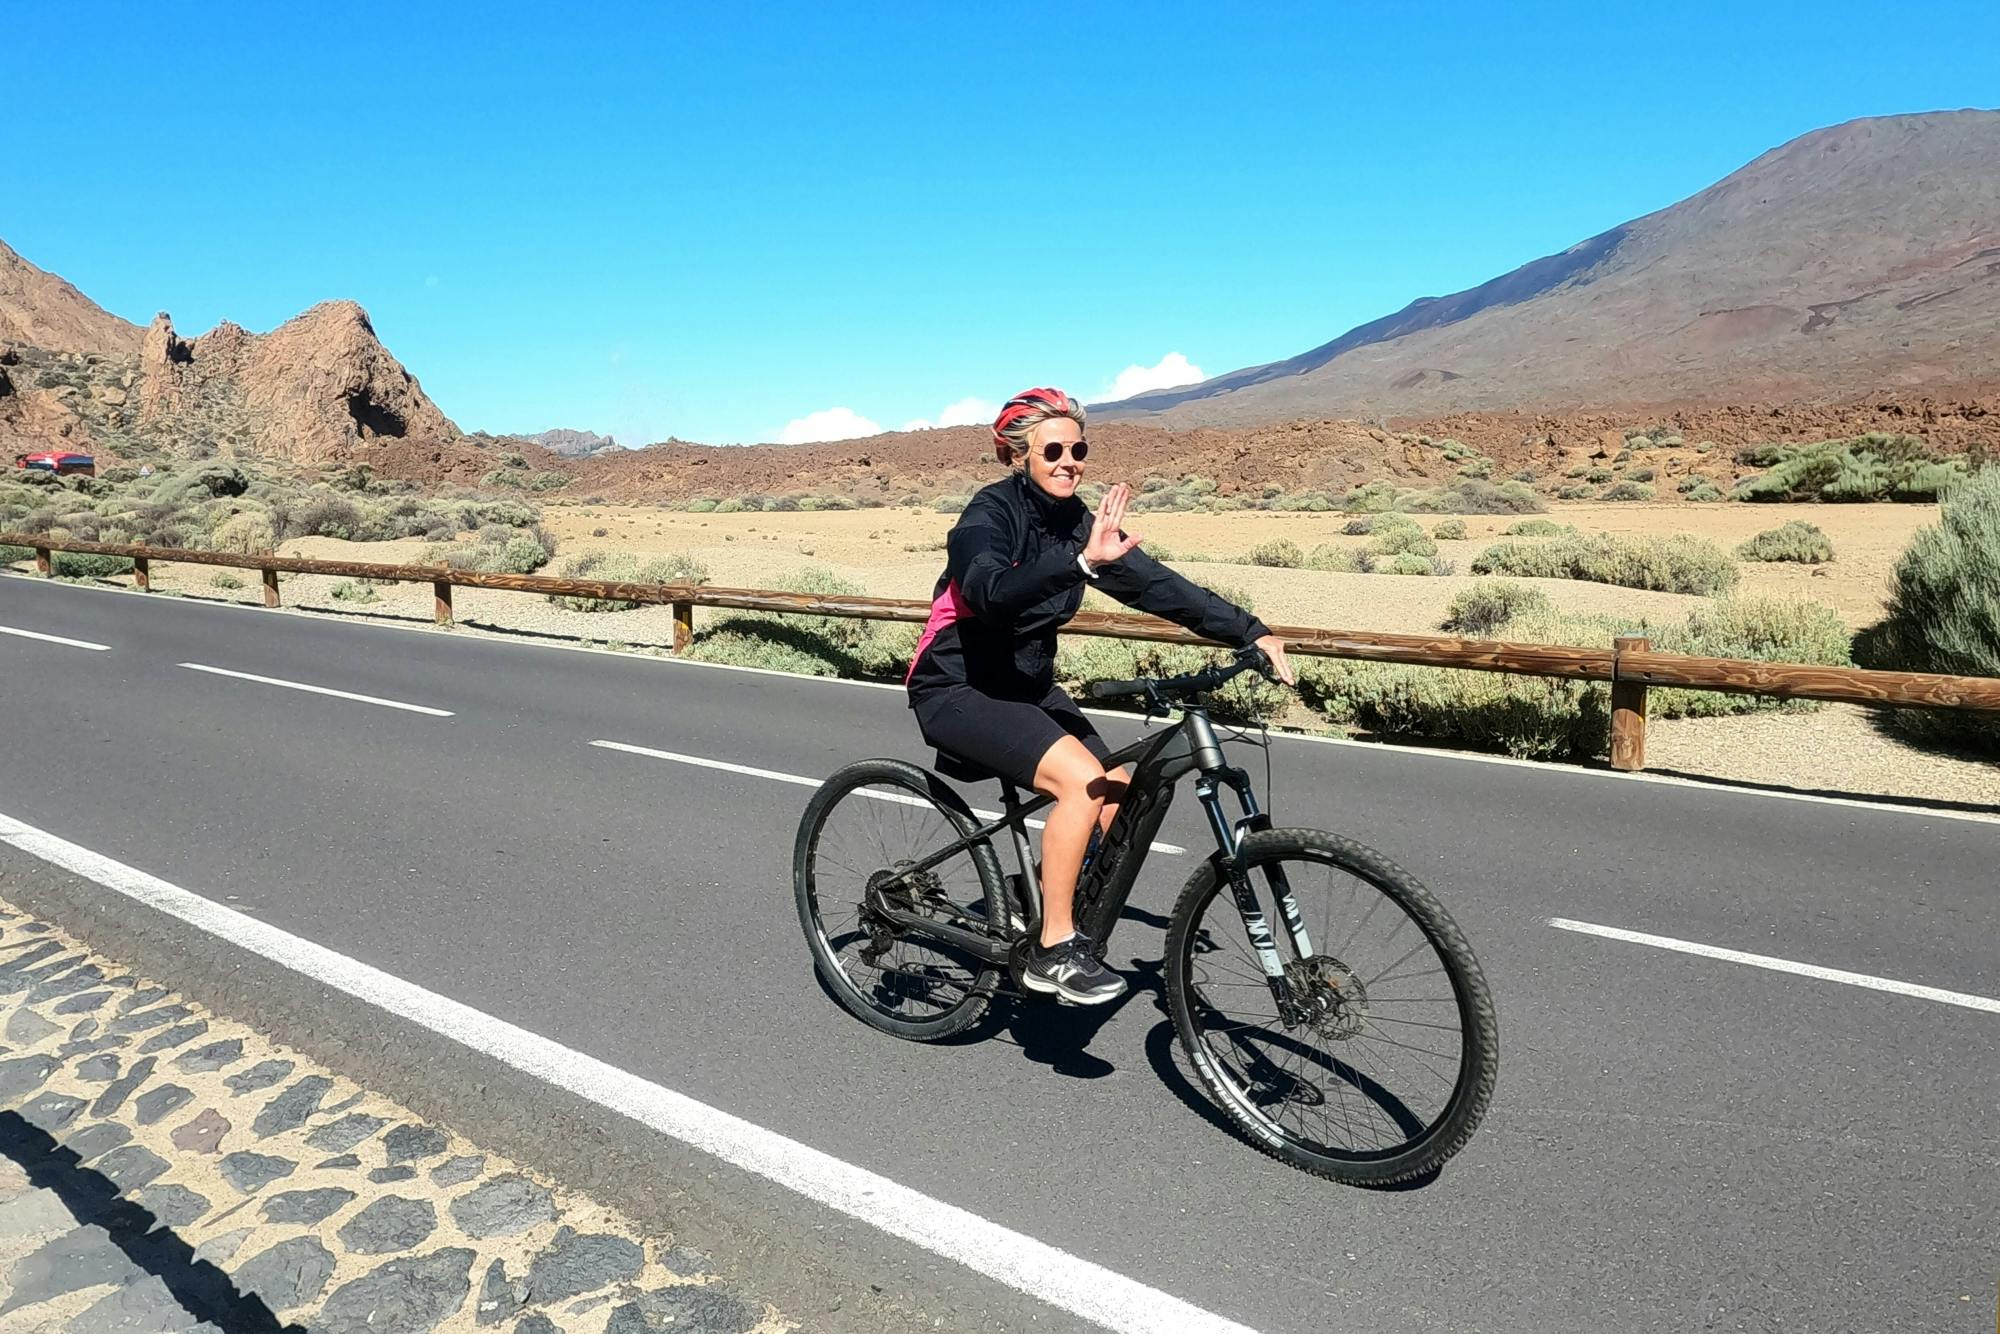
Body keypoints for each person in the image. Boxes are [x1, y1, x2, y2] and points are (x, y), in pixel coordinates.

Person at [904, 387, 1295, 1004]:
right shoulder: (988, 515)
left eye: (1077, 448)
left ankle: (1035, 904)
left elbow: (1157, 586)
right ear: (1017, 456)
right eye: (1052, 448)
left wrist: (1251, 630)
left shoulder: (1081, 524)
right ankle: (1053, 949)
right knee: (1081, 783)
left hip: (1024, 685)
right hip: (957, 683)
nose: (1069, 460)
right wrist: (1079, 565)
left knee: (1115, 799)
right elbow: (988, 591)